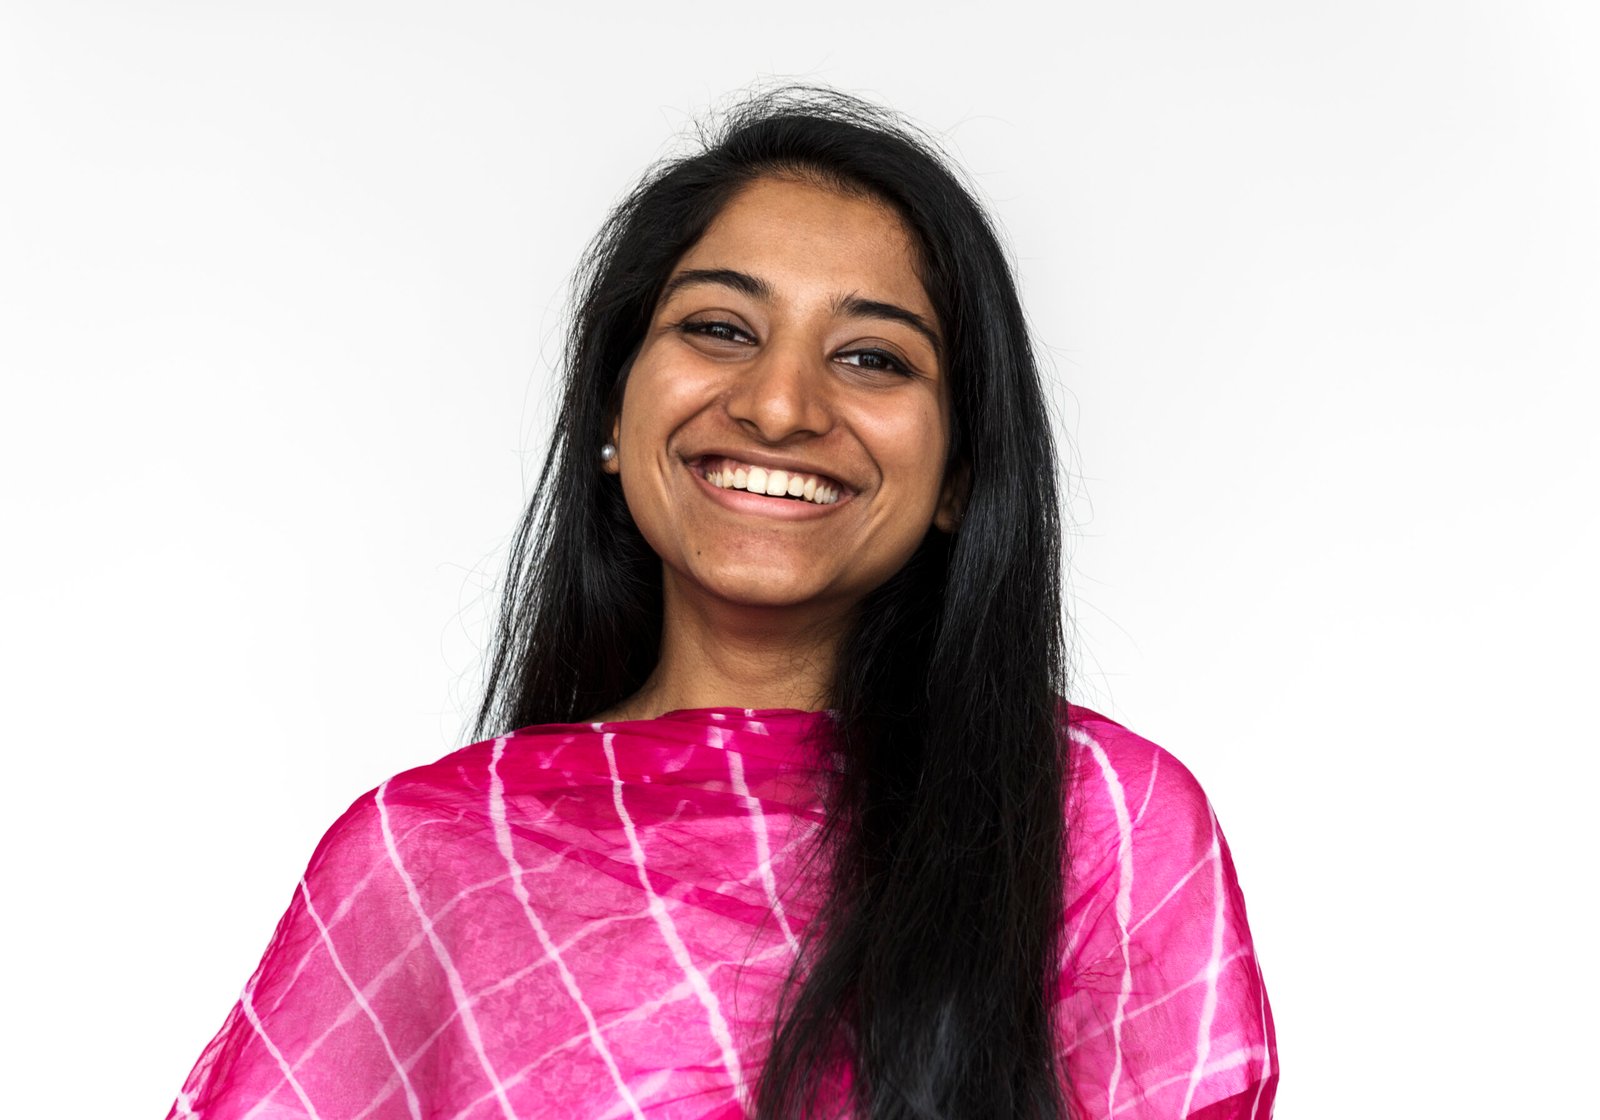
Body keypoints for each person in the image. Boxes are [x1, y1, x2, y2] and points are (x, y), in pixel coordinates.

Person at [167, 89, 1277, 1120]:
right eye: (720, 330)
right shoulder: (434, 860)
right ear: (614, 406)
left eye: (871, 357)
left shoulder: (1092, 823)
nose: (782, 405)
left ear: (958, 477)